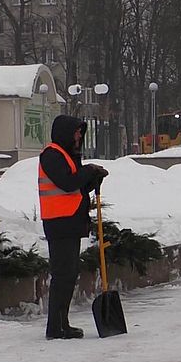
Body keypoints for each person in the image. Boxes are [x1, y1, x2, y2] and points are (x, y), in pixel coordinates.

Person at [39, 115, 108, 339]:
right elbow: (67, 182)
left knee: (68, 275)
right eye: (76, 132)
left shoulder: (67, 156)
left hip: (69, 221)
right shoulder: (52, 155)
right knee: (62, 275)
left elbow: (74, 187)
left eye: (80, 132)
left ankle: (62, 324)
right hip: (59, 223)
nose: (79, 136)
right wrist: (88, 171)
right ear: (65, 132)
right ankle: (56, 327)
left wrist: (92, 181)